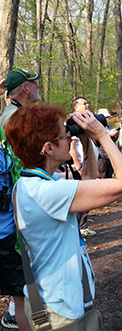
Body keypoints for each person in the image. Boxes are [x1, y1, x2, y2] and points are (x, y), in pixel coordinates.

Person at [4, 104, 122, 329]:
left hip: (47, 298)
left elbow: (89, 180)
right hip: (61, 310)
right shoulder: (49, 193)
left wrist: (86, 139)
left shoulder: (28, 184)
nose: (70, 139)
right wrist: (103, 136)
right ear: (48, 148)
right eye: (65, 134)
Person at [0, 68, 40, 330]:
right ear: (25, 88)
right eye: (33, 83)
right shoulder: (15, 119)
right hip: (14, 217)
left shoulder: (11, 115)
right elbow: (19, 168)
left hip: (12, 213)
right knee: (25, 290)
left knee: (21, 289)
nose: (37, 87)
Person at [0, 132, 31, 331]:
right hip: (8, 236)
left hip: (10, 235)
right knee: (22, 297)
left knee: (21, 297)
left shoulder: (4, 147)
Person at [69, 97, 99, 237]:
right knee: (82, 198)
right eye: (84, 103)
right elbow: (71, 146)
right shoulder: (73, 123)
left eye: (88, 102)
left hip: (88, 166)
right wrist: (77, 164)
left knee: (87, 198)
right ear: (75, 107)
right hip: (81, 167)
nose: (87, 105)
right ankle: (79, 228)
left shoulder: (84, 122)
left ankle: (83, 227)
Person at [96, 108, 118, 178]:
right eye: (105, 117)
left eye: (108, 117)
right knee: (102, 175)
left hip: (110, 155)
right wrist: (109, 135)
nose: (107, 119)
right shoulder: (96, 127)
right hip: (101, 155)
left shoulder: (108, 126)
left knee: (109, 175)